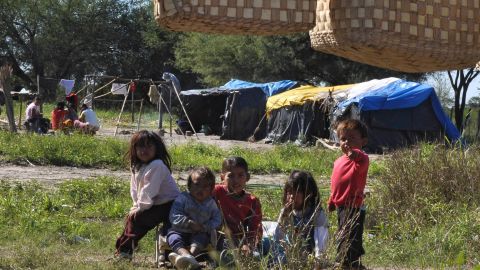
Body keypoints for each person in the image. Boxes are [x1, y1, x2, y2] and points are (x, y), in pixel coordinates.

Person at [115, 130, 180, 260]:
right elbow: (135, 189)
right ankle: (122, 247)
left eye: (149, 146)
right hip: (155, 203)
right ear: (134, 149)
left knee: (139, 219)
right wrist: (135, 206)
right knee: (132, 217)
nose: (145, 150)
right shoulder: (136, 165)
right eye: (141, 146)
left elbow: (149, 190)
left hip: (170, 204)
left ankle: (125, 250)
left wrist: (141, 208)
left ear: (157, 148)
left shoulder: (157, 165)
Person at [328, 119, 369, 270]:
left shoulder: (362, 159)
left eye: (352, 138)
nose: (346, 142)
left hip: (354, 206)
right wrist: (332, 200)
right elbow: (335, 183)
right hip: (341, 206)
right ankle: (355, 263)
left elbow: (358, 155)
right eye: (343, 139)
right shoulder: (339, 161)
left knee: (348, 236)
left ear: (363, 141)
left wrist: (353, 153)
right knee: (347, 234)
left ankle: (344, 263)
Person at [166, 167, 222, 269]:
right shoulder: (183, 198)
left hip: (200, 232)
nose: (200, 189)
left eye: (205, 186)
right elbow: (174, 215)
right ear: (189, 186)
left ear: (211, 189)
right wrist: (189, 222)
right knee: (173, 237)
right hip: (180, 230)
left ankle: (188, 257)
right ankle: (186, 256)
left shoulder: (210, 203)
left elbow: (217, 219)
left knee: (202, 239)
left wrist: (205, 227)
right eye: (197, 185)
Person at [273, 170, 329, 269]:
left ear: (309, 194)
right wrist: (284, 216)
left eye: (297, 192)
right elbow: (277, 239)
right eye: (289, 192)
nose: (291, 197)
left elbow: (320, 246)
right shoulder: (287, 212)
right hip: (290, 255)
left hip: (308, 257)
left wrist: (317, 263)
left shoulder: (317, 214)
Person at [212, 156, 263, 261]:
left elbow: (255, 228)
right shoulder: (216, 192)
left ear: (247, 177)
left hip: (240, 240)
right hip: (218, 237)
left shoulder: (252, 201)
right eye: (231, 176)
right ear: (222, 178)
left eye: (240, 175)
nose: (236, 180)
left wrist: (248, 244)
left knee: (258, 254)